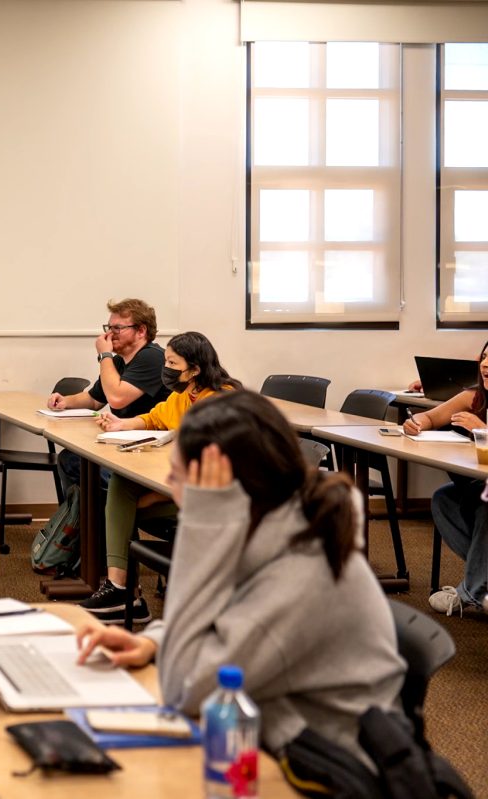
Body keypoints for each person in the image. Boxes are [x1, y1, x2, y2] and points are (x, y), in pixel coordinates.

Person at [76, 390, 405, 769]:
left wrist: (201, 525)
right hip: (273, 741)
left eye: (179, 473)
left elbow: (183, 688)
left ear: (227, 485)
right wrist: (154, 642)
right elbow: (230, 616)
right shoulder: (271, 522)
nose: (168, 480)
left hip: (324, 775)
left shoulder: (302, 568)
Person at [79, 331, 240, 624]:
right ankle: (122, 588)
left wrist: (154, 496)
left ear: (195, 369)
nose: (166, 369)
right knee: (121, 483)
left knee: (123, 502)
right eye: (166, 360)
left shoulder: (221, 401)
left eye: (172, 363)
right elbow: (154, 417)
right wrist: (121, 424)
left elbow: (211, 472)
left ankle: (124, 593)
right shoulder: (183, 396)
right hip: (180, 487)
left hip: (211, 498)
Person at [47, 298, 170, 490]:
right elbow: (94, 399)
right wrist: (65, 401)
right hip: (126, 442)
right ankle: (83, 518)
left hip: (149, 451)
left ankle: (98, 518)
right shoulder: (121, 361)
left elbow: (117, 399)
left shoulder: (152, 357)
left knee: (75, 462)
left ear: (141, 331)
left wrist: (104, 355)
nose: (110, 334)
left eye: (117, 328)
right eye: (108, 327)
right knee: (71, 459)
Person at [403, 341, 488, 616]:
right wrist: (417, 424)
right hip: (479, 483)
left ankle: (471, 592)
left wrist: (482, 429)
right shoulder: (474, 397)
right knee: (443, 498)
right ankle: (483, 584)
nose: (485, 364)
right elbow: (430, 416)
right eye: (484, 357)